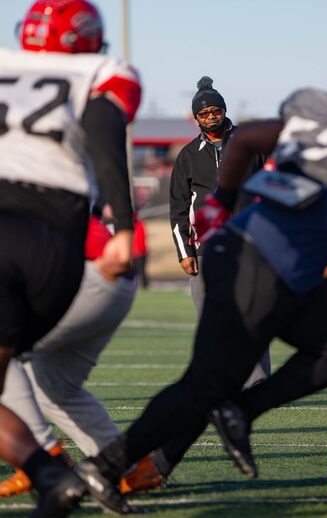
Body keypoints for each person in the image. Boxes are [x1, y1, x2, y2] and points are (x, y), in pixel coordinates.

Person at [73, 49, 327, 513]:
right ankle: (230, 416)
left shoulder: (315, 117)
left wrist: (219, 210)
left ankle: (111, 466)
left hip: (249, 253)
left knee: (326, 353)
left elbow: (249, 140)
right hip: (268, 266)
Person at [0, 0, 141, 515]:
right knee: (41, 377)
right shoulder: (102, 71)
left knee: (25, 370)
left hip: (17, 225)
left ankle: (50, 467)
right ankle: (55, 474)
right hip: (56, 242)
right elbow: (106, 131)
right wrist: (126, 225)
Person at [0, 213, 162, 499]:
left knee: (5, 353)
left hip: (85, 274)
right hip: (109, 282)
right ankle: (133, 468)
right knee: (55, 387)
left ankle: (43, 461)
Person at [170, 75, 270, 387]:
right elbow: (177, 207)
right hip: (205, 250)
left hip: (250, 244)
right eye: (204, 113)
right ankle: (219, 382)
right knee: (211, 322)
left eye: (216, 110)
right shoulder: (187, 155)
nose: (211, 117)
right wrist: (185, 253)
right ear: (196, 117)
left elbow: (271, 187)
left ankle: (258, 382)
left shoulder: (249, 144)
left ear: (224, 110)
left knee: (253, 314)